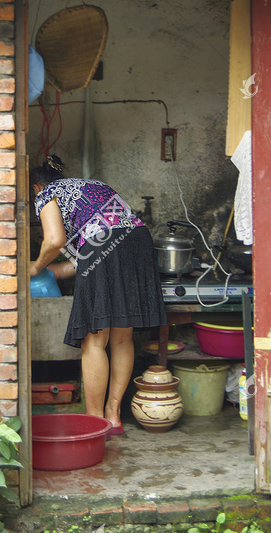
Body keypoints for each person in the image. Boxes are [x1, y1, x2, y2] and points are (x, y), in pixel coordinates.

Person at [30, 155, 167, 434]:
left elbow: (55, 240)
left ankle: (93, 423)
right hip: (139, 241)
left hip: (108, 246)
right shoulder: (92, 186)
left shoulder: (46, 194)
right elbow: (103, 243)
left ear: (36, 187)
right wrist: (55, 271)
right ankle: (113, 415)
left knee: (94, 339)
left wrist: (36, 266)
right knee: (122, 335)